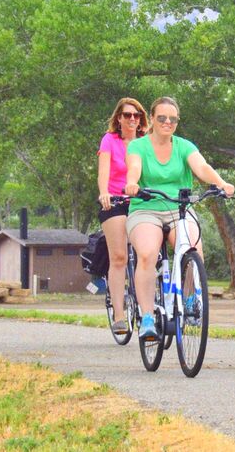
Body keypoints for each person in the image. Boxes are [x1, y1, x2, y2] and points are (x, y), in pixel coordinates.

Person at [125, 96, 235, 341]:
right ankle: (147, 318)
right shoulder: (138, 146)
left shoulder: (184, 146)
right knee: (147, 253)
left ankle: (190, 301)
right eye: (162, 118)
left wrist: (221, 183)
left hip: (179, 209)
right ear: (152, 119)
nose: (167, 122)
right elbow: (134, 167)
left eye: (172, 119)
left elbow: (202, 167)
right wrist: (132, 183)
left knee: (192, 248)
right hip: (146, 208)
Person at [97, 97, 147, 335]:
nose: (132, 119)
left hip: (141, 201)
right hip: (116, 201)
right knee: (119, 257)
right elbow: (103, 172)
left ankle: (152, 305)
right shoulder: (110, 140)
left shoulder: (147, 141)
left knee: (150, 255)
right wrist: (104, 193)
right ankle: (119, 314)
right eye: (127, 115)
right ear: (119, 118)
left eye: (136, 115)